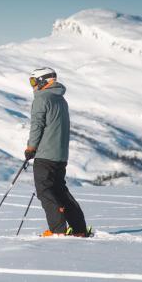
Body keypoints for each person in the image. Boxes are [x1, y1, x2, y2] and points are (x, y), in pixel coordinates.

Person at [24, 67, 89, 237]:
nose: (32, 86)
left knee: (45, 191)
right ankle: (79, 229)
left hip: (45, 154)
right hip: (60, 155)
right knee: (60, 190)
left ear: (43, 80)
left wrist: (31, 148)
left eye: (33, 81)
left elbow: (37, 125)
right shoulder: (60, 99)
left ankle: (58, 230)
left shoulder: (42, 98)